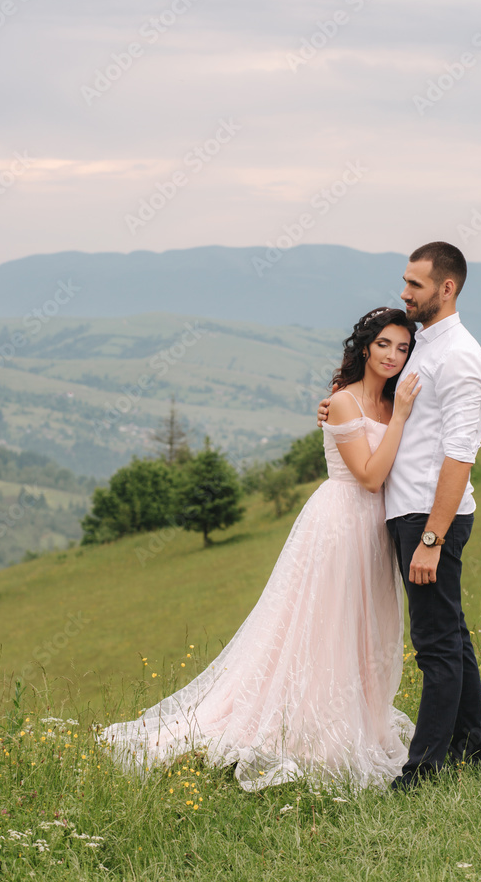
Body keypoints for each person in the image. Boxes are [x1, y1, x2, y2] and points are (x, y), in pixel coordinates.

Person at [98, 307, 420, 792]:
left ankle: (362, 719)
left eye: (402, 347)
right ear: (364, 347)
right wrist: (400, 419)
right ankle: (314, 729)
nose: (393, 356)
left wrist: (399, 413)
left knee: (367, 631)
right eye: (384, 345)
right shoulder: (347, 403)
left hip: (377, 531)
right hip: (341, 524)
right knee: (326, 629)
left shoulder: (391, 399)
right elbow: (370, 476)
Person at [318, 242, 481, 789]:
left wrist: (433, 537)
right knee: (453, 635)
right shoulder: (423, 345)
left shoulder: (460, 356)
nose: (404, 292)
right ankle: (471, 749)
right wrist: (337, 411)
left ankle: (422, 773)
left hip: (428, 516)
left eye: (414, 284)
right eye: (404, 281)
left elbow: (460, 455)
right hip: (407, 511)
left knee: (435, 644)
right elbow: (379, 395)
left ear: (447, 288)